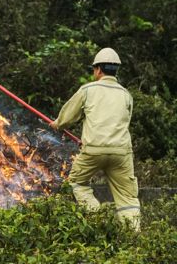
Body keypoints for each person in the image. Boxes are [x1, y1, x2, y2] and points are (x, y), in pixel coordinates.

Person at [50, 48, 140, 231]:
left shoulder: (88, 90)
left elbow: (67, 118)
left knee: (76, 182)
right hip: (121, 153)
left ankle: (98, 218)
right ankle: (133, 236)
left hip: (93, 151)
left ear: (98, 70)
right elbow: (122, 123)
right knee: (128, 198)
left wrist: (57, 124)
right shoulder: (126, 95)